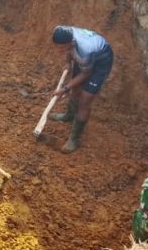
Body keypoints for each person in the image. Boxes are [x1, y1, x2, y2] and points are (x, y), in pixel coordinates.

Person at [49, 25, 114, 154]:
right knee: (76, 89)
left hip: (101, 61)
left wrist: (65, 88)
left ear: (71, 42)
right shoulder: (65, 32)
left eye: (61, 47)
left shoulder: (86, 52)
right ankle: (69, 115)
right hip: (85, 58)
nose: (58, 50)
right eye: (57, 46)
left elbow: (85, 74)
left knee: (85, 100)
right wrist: (68, 62)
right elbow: (68, 50)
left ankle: (74, 139)